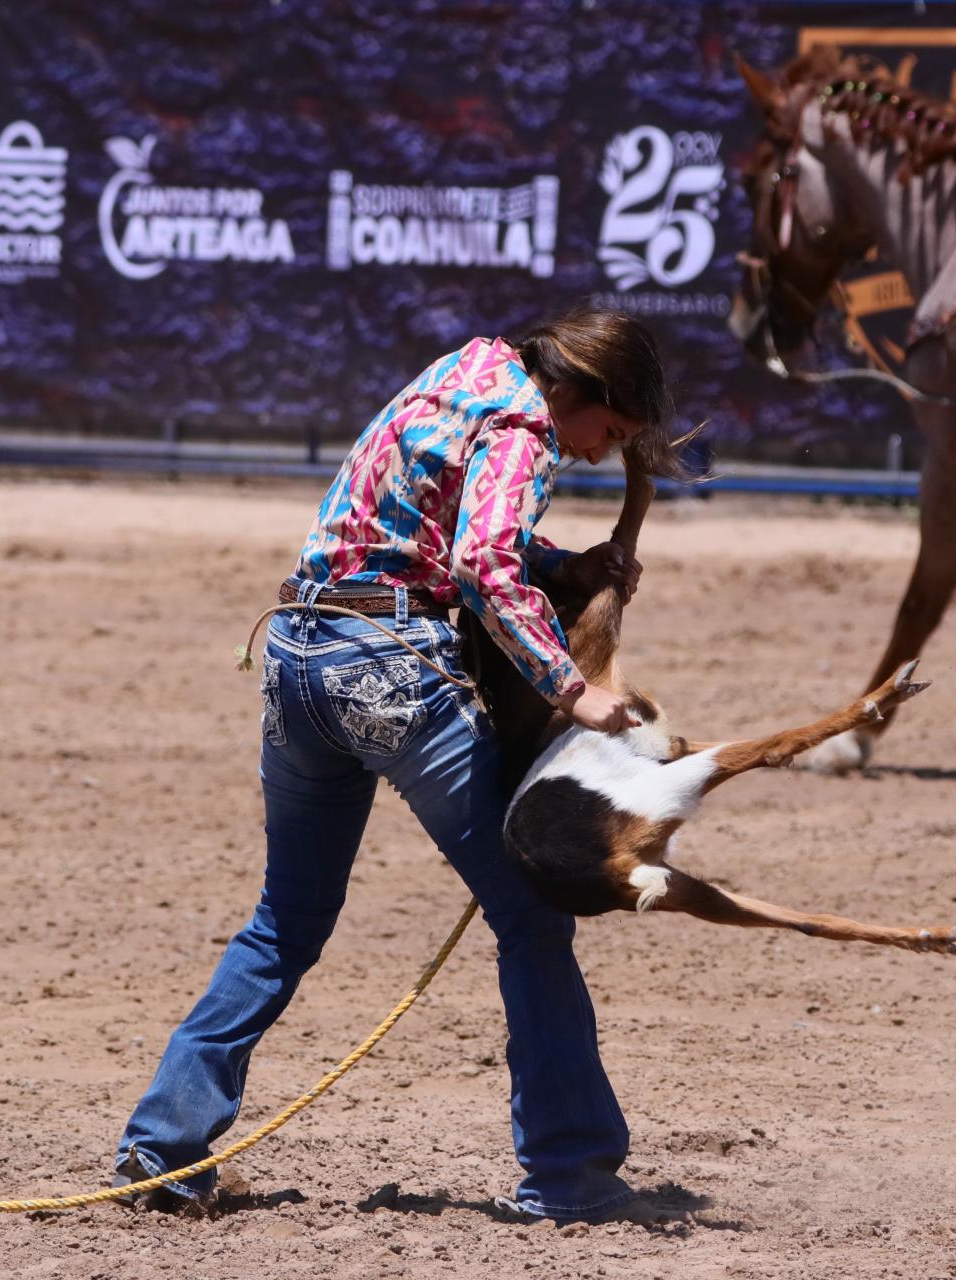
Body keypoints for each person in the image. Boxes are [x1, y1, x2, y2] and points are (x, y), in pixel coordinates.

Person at [112, 309, 683, 1224]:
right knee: (532, 914)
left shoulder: (464, 370)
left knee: (284, 922)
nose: (591, 453)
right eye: (607, 433)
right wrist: (573, 691)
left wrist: (567, 565)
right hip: (389, 668)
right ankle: (570, 1172)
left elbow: (425, 527)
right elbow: (485, 565)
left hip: (296, 654)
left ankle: (160, 1149)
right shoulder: (528, 425)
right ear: (580, 391)